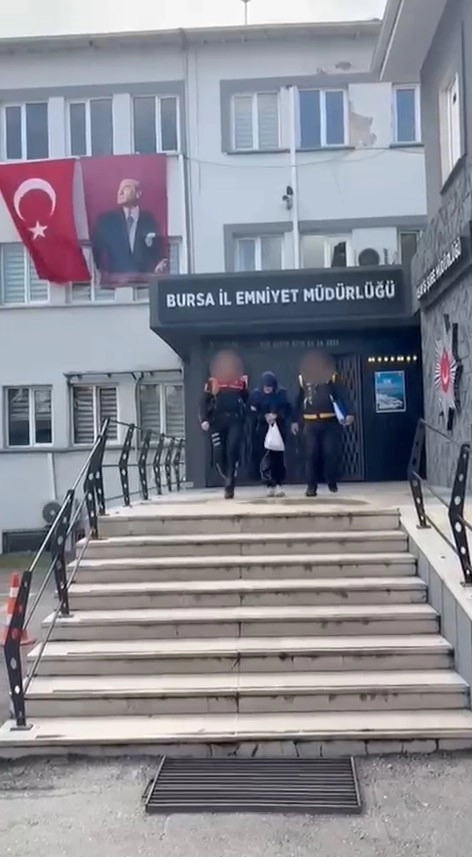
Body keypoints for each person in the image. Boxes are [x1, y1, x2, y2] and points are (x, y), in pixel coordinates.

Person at [292, 350, 354, 497]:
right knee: (311, 454)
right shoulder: (302, 378)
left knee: (330, 453)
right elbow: (298, 401)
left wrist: (350, 412)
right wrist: (295, 421)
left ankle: (331, 480)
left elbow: (342, 395)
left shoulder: (331, 376)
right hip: (310, 422)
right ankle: (311, 487)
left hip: (329, 421)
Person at [91, 178, 168, 279]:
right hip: (115, 282)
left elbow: (158, 251)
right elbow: (96, 252)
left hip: (144, 281)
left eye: (126, 188)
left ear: (138, 193)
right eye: (119, 189)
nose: (120, 192)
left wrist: (159, 265)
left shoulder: (149, 220)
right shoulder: (107, 221)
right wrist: (99, 272)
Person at [200, 350, 249, 499]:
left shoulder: (240, 382)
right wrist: (204, 419)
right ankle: (225, 474)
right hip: (217, 422)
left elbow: (246, 399)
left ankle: (230, 482)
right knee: (219, 452)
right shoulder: (212, 382)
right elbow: (204, 402)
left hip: (235, 420)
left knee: (232, 449)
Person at [249, 371, 291, 497]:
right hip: (261, 430)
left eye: (270, 386)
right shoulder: (256, 395)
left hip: (278, 430)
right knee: (264, 458)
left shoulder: (281, 394)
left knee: (277, 458)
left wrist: (276, 415)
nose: (267, 389)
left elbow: (287, 409)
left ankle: (278, 484)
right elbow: (252, 412)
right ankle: (268, 484)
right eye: (265, 386)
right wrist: (264, 417)